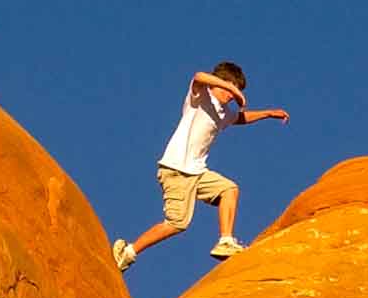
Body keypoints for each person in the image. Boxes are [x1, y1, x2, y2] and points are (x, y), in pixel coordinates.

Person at [112, 62, 289, 271]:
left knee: (229, 189)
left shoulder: (223, 113)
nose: (232, 95)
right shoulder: (200, 98)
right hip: (176, 170)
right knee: (177, 223)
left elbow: (240, 118)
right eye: (229, 89)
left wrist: (268, 113)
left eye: (237, 91)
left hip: (197, 172)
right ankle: (128, 252)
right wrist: (230, 87)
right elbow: (198, 76)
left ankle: (225, 241)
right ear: (219, 83)